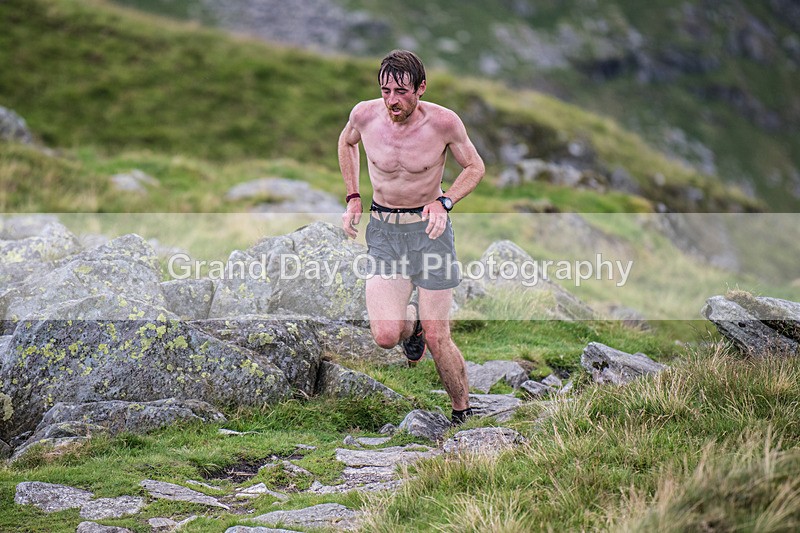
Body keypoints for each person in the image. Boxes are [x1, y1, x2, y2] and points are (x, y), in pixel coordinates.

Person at [338, 49, 485, 425]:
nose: (392, 100)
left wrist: (445, 202)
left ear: (420, 88)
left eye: (401, 91)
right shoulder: (365, 115)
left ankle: (462, 413)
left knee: (438, 336)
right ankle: (411, 324)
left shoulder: (444, 123)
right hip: (385, 232)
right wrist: (354, 196)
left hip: (430, 234)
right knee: (386, 335)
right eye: (386, 90)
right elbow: (347, 143)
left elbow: (474, 167)